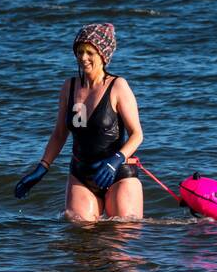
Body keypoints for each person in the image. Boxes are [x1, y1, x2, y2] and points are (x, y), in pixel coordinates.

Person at [13, 23, 144, 221]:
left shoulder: (118, 86)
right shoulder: (70, 87)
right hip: (81, 174)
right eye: (79, 52)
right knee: (79, 231)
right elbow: (59, 134)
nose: (83, 58)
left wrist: (115, 161)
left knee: (122, 236)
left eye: (89, 52)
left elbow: (137, 135)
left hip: (118, 172)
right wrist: (42, 168)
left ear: (103, 55)